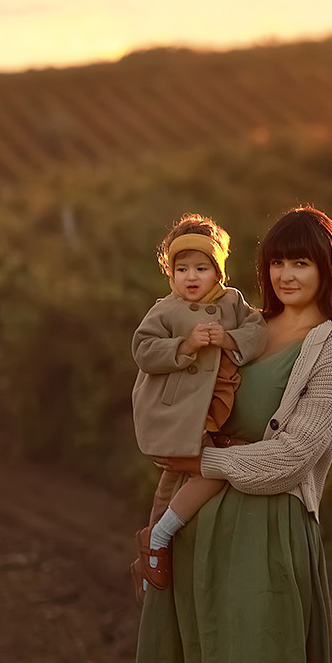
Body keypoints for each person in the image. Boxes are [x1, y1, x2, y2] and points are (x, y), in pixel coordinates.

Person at [133, 205, 332, 663]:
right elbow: (176, 394)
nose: (286, 275)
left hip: (265, 538)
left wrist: (203, 460)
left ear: (328, 268)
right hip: (194, 528)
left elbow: (292, 457)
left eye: (301, 263)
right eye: (277, 262)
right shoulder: (246, 326)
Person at [131, 213, 267, 594]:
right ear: (171, 273)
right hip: (177, 408)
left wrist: (229, 339)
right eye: (182, 269)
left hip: (212, 406)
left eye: (201, 268)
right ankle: (157, 541)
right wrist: (185, 345)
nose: (191, 277)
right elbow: (143, 349)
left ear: (218, 272)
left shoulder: (233, 301)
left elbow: (258, 329)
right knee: (195, 472)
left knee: (183, 476)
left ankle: (156, 546)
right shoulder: (166, 309)